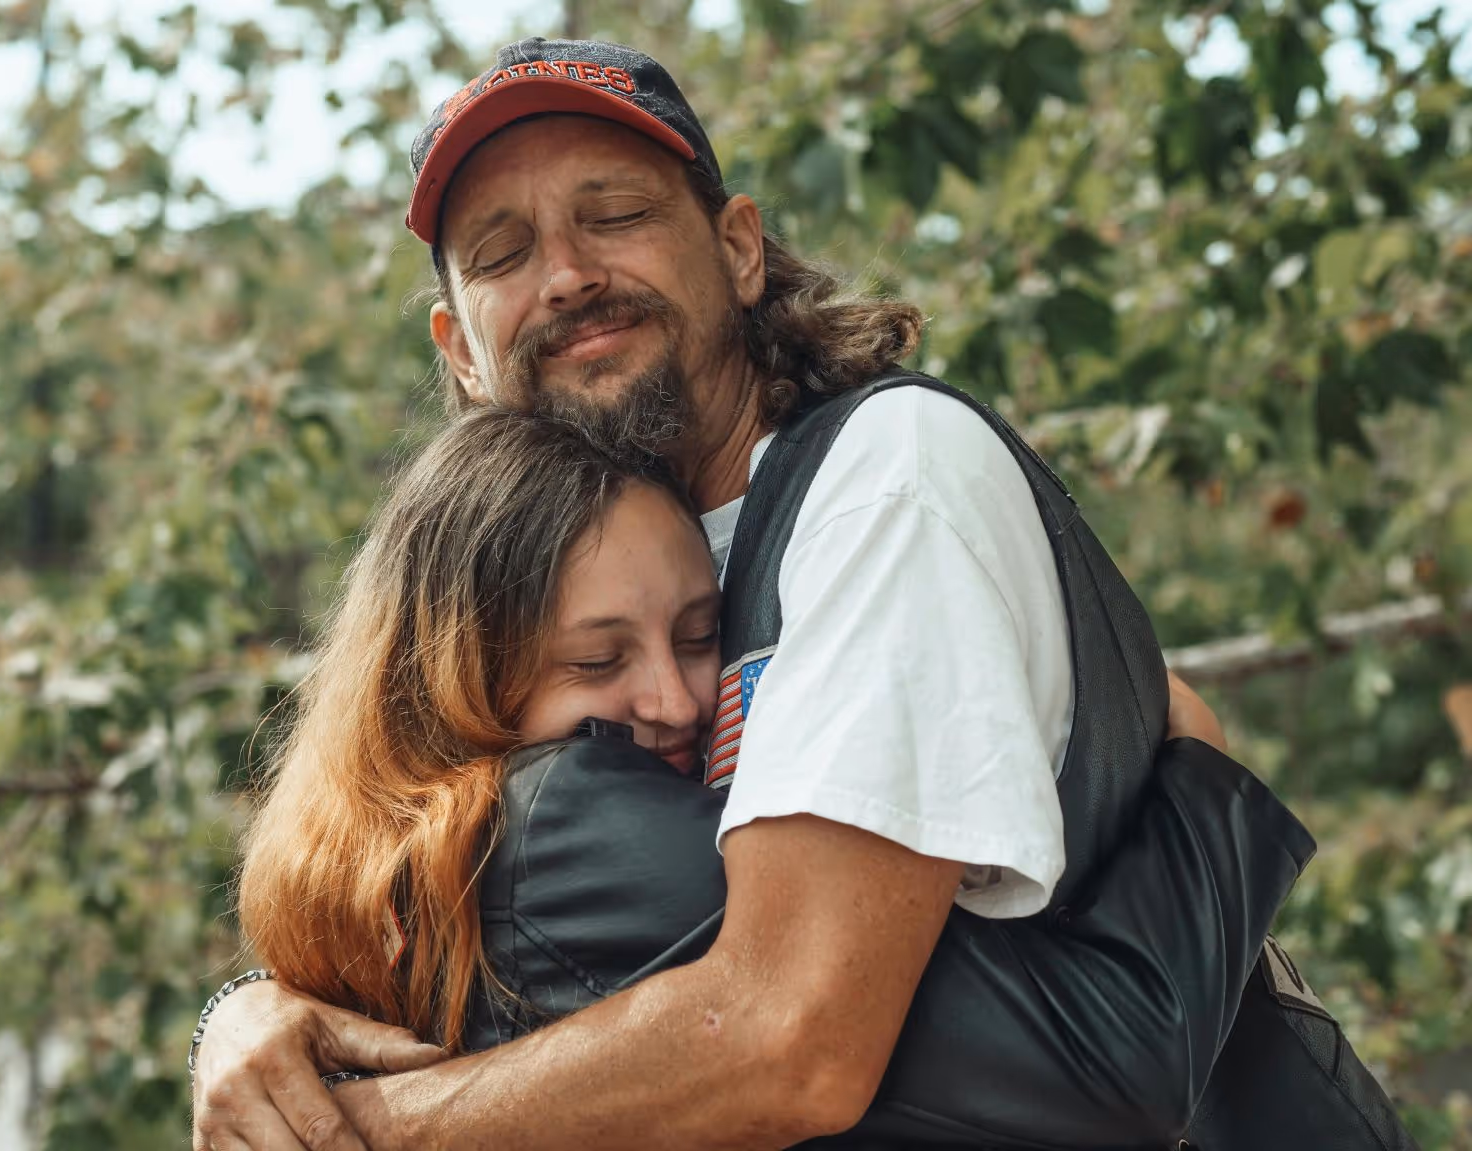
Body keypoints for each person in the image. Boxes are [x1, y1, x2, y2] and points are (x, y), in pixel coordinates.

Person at [191, 37, 1409, 1151]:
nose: (563, 274)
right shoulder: (591, 586)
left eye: (612, 215)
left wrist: (365, 1127)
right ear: (460, 348)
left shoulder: (878, 487)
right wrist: (259, 1006)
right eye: (504, 254)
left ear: (736, 248)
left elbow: (790, 1039)